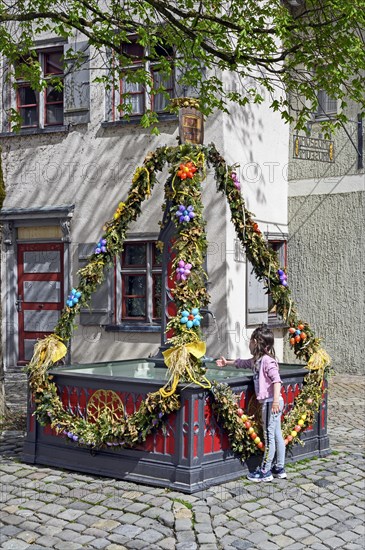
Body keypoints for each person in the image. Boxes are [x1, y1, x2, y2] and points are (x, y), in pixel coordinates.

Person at [216, 325, 286, 482]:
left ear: (255, 342)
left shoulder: (267, 361)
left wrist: (274, 401)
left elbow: (277, 380)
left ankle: (265, 471)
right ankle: (279, 468)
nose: (249, 345)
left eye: (250, 342)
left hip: (271, 403)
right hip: (272, 402)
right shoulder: (258, 360)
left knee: (269, 436)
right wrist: (226, 362)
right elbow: (242, 363)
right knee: (276, 434)